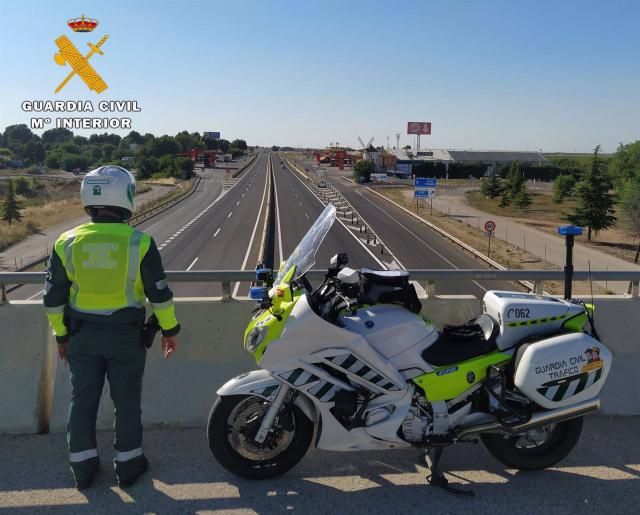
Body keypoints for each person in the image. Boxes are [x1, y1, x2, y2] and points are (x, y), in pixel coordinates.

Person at [43, 165, 180, 490]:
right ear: (127, 197)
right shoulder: (140, 242)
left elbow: (51, 300)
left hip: (81, 337)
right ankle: (129, 466)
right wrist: (170, 330)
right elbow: (159, 295)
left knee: (82, 400)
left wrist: (60, 335)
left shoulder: (66, 242)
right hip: (126, 338)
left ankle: (83, 469)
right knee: (127, 401)